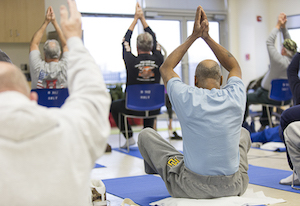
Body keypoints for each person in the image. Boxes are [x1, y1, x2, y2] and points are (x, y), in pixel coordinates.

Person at [0, 1, 111, 205]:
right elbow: (93, 93)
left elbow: (33, 44)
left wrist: (44, 24)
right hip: (61, 115)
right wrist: (67, 32)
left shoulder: (36, 67)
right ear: (29, 99)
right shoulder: (74, 130)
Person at [138, 6, 251, 199]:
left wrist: (194, 36)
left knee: (146, 135)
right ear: (222, 81)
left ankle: (167, 171)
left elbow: (166, 68)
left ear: (195, 81)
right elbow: (233, 65)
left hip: (191, 187)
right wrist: (207, 37)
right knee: (243, 133)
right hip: (235, 185)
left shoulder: (187, 96)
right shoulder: (236, 95)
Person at [110, 2, 164, 149]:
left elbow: (124, 41)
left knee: (114, 106)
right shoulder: (159, 59)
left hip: (132, 107)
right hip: (154, 107)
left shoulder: (131, 60)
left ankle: (129, 137)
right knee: (149, 101)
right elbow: (155, 39)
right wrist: (143, 19)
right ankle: (148, 138)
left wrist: (135, 19)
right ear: (152, 47)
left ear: (137, 47)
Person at [243, 12, 297, 131]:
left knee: (245, 97)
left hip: (268, 96)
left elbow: (269, 42)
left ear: (283, 50)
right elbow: (289, 43)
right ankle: (264, 122)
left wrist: (278, 26)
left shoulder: (278, 60)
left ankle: (243, 126)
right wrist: (284, 29)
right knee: (261, 89)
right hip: (286, 98)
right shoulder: (294, 61)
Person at [29, 6, 68, 89]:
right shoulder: (66, 66)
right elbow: (66, 45)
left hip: (39, 102)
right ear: (60, 53)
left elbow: (34, 44)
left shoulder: (37, 67)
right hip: (62, 102)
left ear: (44, 54)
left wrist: (46, 22)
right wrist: (55, 22)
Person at [278, 52, 300, 186]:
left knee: (286, 118)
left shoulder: (277, 58)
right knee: (285, 127)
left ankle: (296, 171)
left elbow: (291, 70)